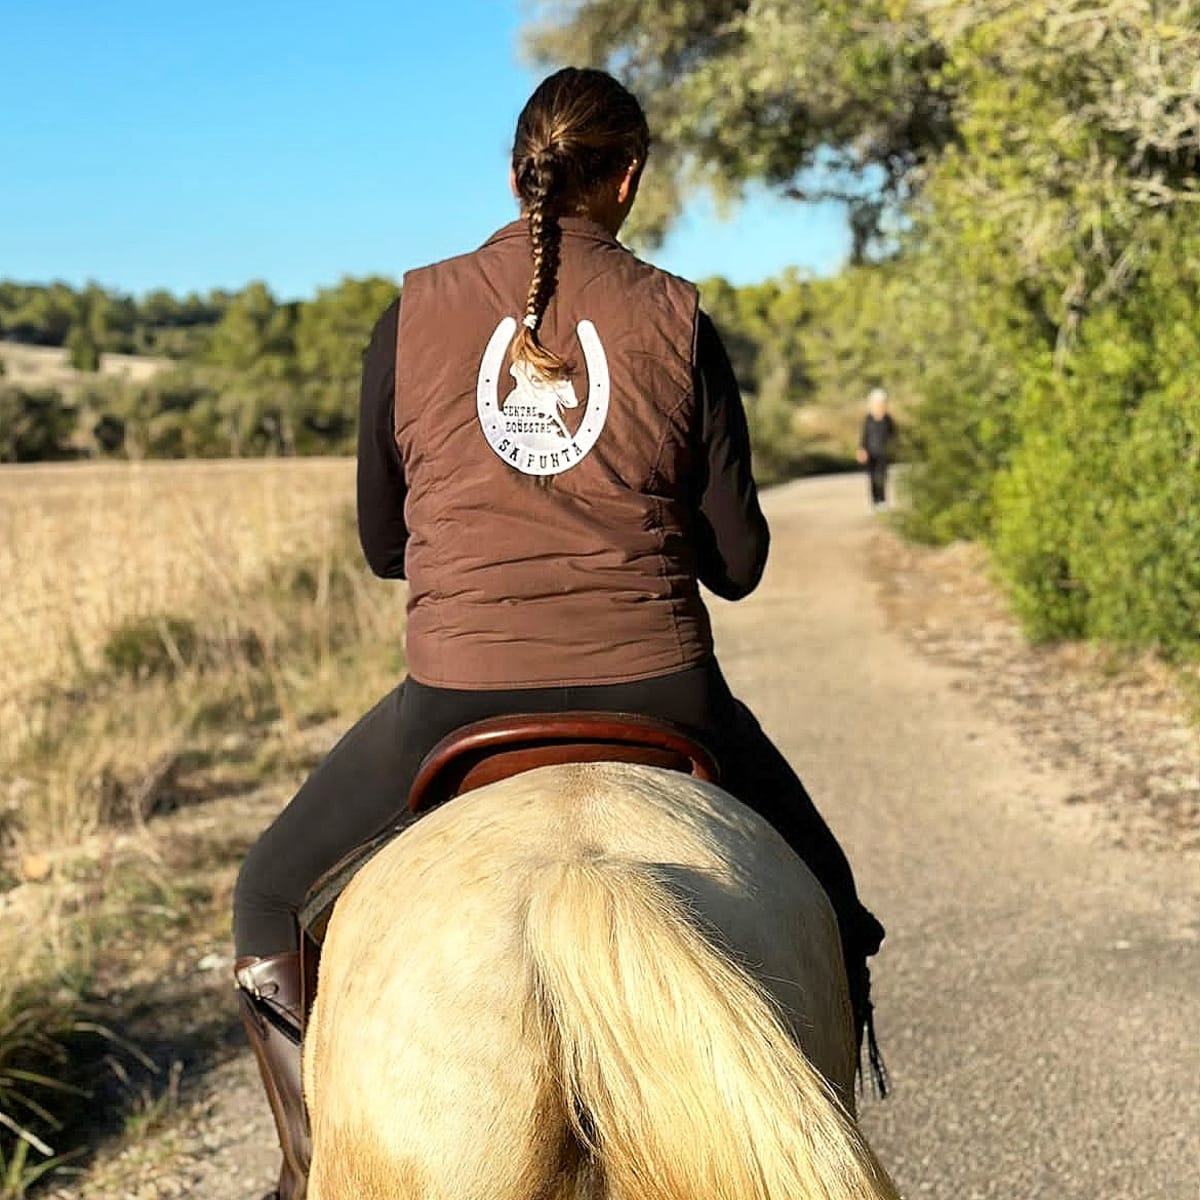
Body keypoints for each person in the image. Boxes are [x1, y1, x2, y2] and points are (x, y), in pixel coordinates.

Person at [231, 66, 885, 1200]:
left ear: (516, 172)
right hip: (664, 691)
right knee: (832, 905)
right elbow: (740, 565)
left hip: (453, 695)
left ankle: (305, 1164)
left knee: (266, 896)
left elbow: (384, 545)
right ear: (628, 178)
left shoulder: (412, 309)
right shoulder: (679, 313)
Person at [856, 387, 897, 510]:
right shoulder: (868, 419)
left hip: (884, 453)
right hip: (871, 453)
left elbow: (894, 436)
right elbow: (864, 436)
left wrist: (893, 449)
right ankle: (875, 501)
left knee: (882, 477)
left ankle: (882, 501)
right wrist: (861, 450)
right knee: (872, 478)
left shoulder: (888, 420)